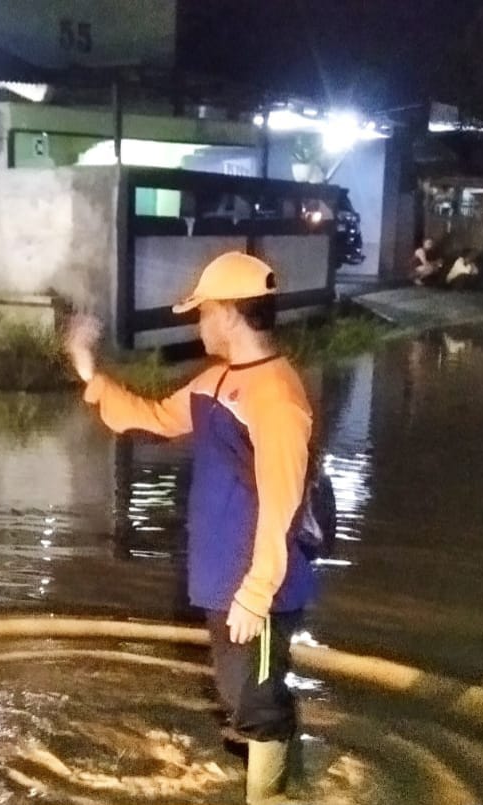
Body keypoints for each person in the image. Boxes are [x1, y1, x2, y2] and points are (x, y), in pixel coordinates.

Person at [65, 252, 315, 804]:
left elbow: (283, 500)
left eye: (203, 312)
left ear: (227, 313)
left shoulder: (276, 396)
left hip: (259, 589)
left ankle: (272, 795)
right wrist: (88, 368)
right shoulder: (216, 382)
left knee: (258, 703)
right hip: (225, 578)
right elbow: (150, 418)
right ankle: (284, 782)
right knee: (243, 694)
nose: (198, 323)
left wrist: (256, 591)